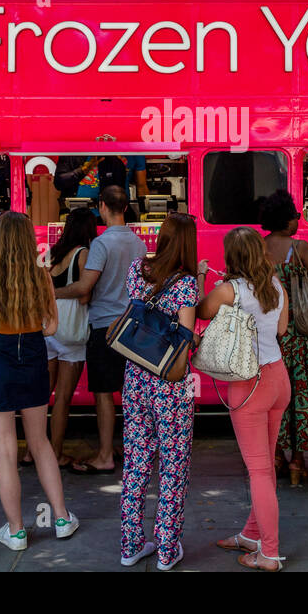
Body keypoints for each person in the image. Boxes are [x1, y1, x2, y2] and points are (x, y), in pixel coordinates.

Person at [0, 212, 77, 550]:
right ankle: (61, 518)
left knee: (4, 450)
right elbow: (51, 328)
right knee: (40, 442)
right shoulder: (41, 276)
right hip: (33, 356)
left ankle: (17, 531)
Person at [198, 227, 290, 571]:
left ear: (231, 257)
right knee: (264, 466)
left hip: (249, 385)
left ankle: (269, 552)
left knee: (259, 472)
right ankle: (252, 534)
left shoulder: (227, 290)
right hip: (278, 378)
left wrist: (199, 276)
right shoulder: (276, 285)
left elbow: (200, 313)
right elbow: (281, 330)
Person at [119, 213, 202, 570]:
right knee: (173, 464)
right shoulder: (186, 285)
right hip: (170, 384)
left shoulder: (138, 268)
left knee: (137, 460)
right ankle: (167, 550)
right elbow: (183, 337)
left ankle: (130, 545)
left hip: (135, 377)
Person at [54, 186, 146, 475]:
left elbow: (84, 287)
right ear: (127, 207)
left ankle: (105, 454)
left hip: (105, 326)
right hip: (132, 323)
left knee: (104, 394)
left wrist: (52, 293)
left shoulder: (101, 244)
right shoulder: (139, 244)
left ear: (103, 206)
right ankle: (133, 450)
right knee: (132, 393)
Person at [258, 190, 308, 485]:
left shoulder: (257, 250)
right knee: (301, 395)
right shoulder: (300, 249)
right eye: (296, 215)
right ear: (287, 220)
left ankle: (275, 455)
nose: (298, 220)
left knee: (271, 397)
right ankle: (298, 461)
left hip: (267, 339)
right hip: (301, 338)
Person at [41, 208, 98, 468]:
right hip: (71, 334)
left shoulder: (50, 254)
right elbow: (84, 294)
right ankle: (54, 453)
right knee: (62, 398)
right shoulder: (83, 254)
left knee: (43, 395)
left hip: (48, 329)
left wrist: (52, 295)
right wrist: (65, 293)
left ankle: (34, 452)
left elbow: (41, 288)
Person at [53, 155, 148, 206]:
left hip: (116, 214)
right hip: (79, 216)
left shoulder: (134, 149)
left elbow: (141, 186)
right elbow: (59, 182)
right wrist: (84, 170)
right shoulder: (75, 146)